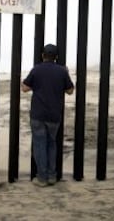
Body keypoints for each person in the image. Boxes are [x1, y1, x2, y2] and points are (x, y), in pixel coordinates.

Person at [21, 44, 74, 187]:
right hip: (54, 115)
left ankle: (42, 178)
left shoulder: (37, 69)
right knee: (52, 144)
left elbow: (25, 88)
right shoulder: (62, 71)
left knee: (39, 145)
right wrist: (66, 74)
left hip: (38, 114)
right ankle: (52, 176)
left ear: (43, 55)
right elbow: (70, 91)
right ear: (56, 57)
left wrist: (35, 84)